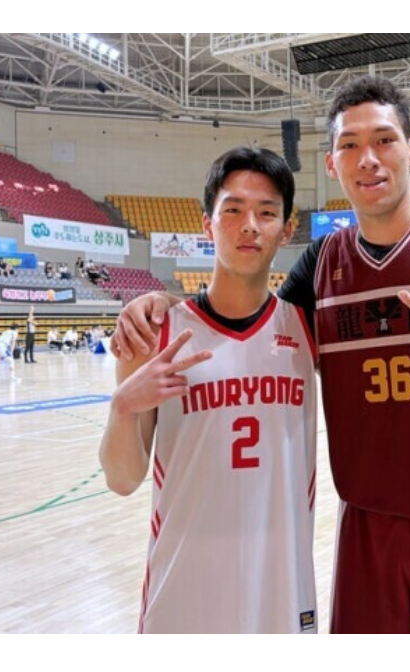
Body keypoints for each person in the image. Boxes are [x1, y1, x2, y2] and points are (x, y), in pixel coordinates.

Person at [114, 76, 410, 633]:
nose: (367, 158)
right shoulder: (322, 265)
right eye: (350, 145)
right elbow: (247, 320)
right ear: (332, 164)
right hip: (364, 533)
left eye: (384, 140)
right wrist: (161, 305)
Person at [99, 146, 317, 634]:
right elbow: (122, 480)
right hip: (184, 588)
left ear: (286, 230)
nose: (249, 226)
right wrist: (122, 407)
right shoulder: (155, 333)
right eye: (233, 210)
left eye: (266, 213)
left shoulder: (307, 328)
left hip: (281, 587)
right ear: (207, 225)